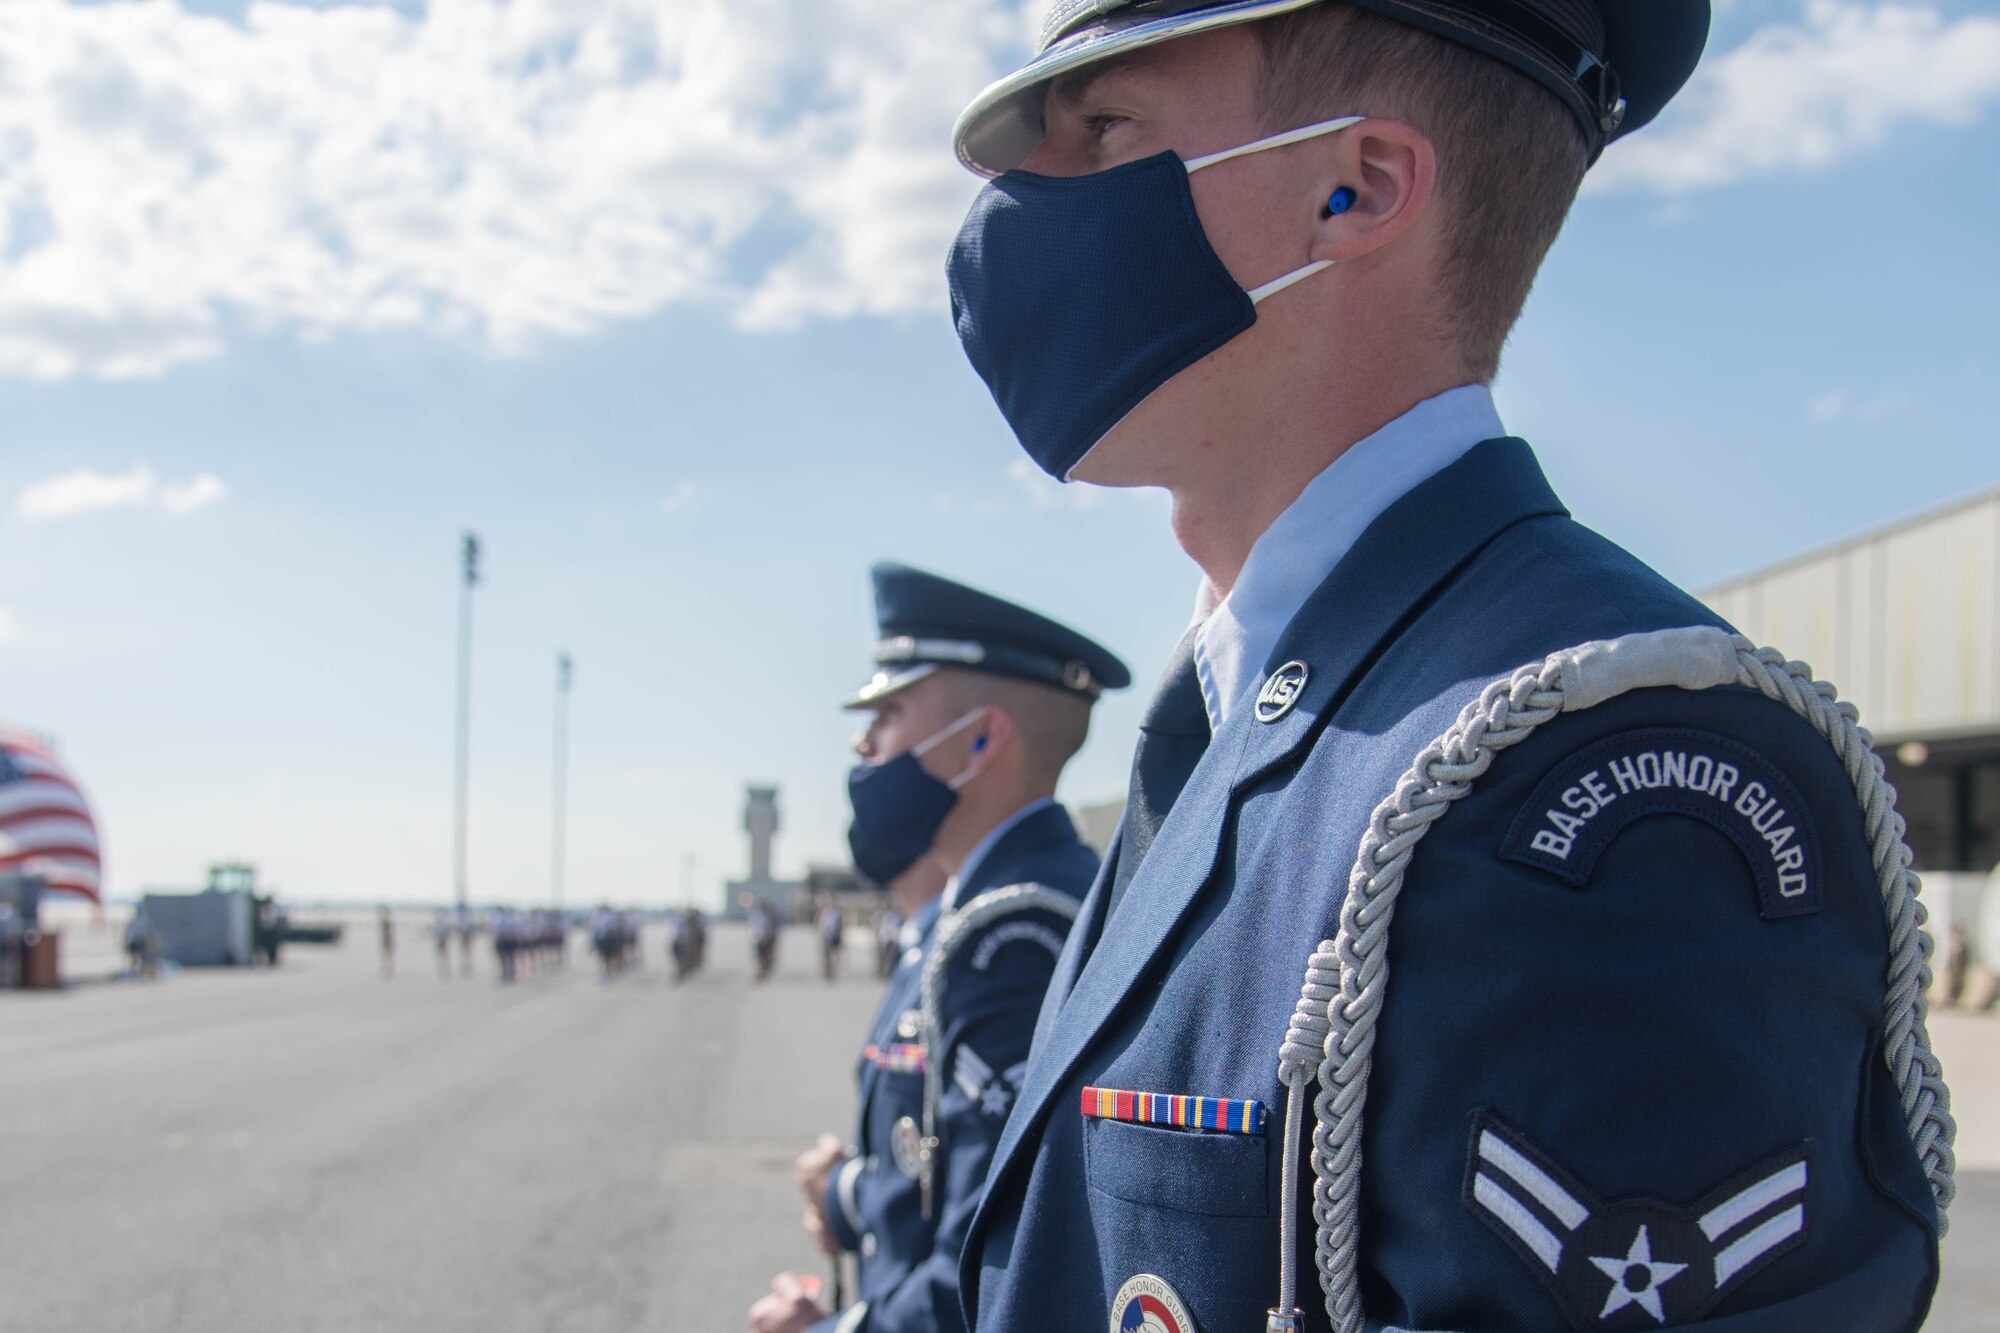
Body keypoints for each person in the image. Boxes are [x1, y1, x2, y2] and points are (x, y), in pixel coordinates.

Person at [942, 4, 1950, 1331]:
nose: (1017, 201)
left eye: (1107, 130)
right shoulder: (1223, 718)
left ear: (1356, 190)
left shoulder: (1599, 767)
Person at [751, 563, 1130, 1333]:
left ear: (982, 737)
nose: (864, 741)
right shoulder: (977, 908)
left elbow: (988, 1265)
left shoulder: (1013, 934)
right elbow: (939, 1160)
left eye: (888, 710)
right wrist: (848, 1193)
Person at [818, 895, 845, 982]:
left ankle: (834, 970)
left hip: (835, 936)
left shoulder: (837, 913)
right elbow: (822, 924)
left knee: (835, 954)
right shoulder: (826, 912)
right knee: (826, 955)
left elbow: (840, 925)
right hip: (826, 936)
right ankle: (827, 972)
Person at [376, 904, 394, 980]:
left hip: (387, 939)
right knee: (386, 954)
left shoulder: (387, 921)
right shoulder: (386, 920)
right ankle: (387, 966)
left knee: (387, 954)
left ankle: (388, 967)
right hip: (386, 939)